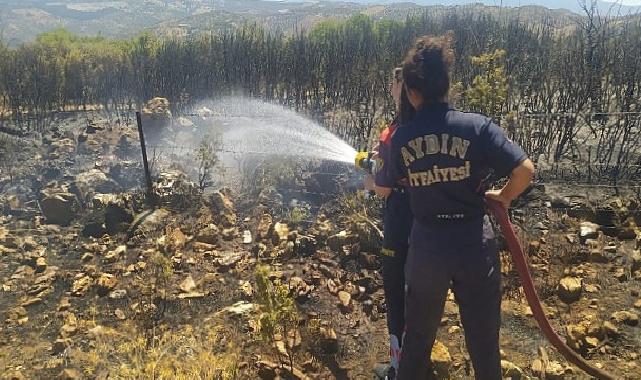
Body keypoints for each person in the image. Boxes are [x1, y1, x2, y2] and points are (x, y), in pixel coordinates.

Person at [379, 35, 535, 380]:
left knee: (417, 340)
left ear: (412, 91)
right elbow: (524, 170)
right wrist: (505, 196)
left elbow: (386, 185)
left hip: (427, 250)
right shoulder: (476, 126)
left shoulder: (402, 137)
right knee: (483, 341)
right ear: (446, 85)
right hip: (473, 245)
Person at [364, 67, 414, 380]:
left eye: (394, 80)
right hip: (427, 229)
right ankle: (416, 363)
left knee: (396, 297)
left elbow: (383, 188)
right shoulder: (423, 124)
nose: (390, 85)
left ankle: (398, 369)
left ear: (403, 88)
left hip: (399, 226)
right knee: (418, 297)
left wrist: (369, 179)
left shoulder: (394, 131)